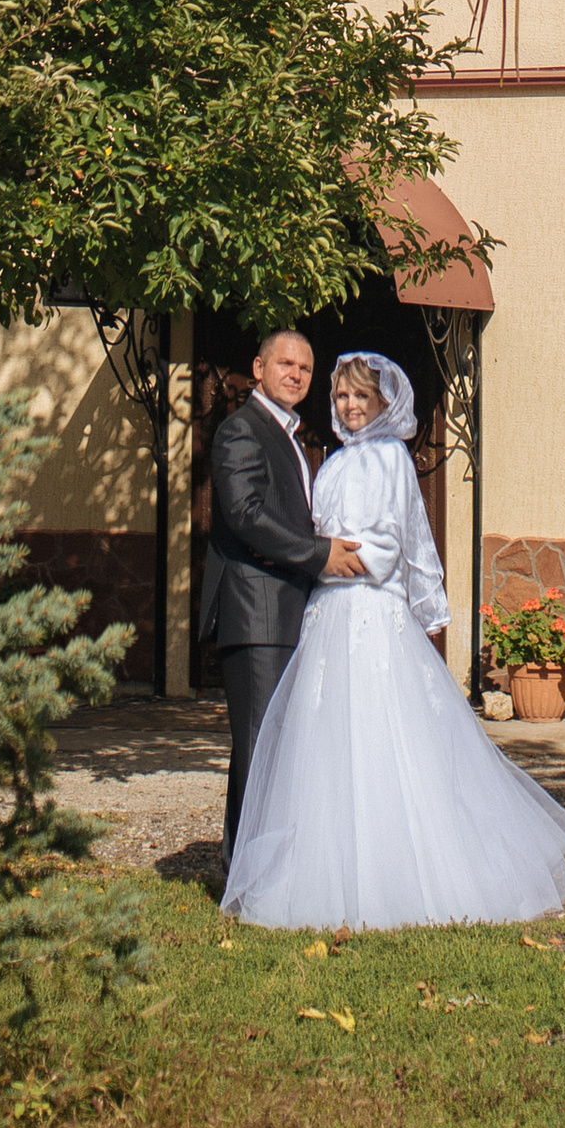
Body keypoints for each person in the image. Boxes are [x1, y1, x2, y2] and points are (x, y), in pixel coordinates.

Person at [223, 347, 565, 931]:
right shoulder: (335, 461)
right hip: (327, 611)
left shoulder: (390, 458)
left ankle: (398, 872)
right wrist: (323, 558)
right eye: (341, 396)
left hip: (364, 609)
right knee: (326, 743)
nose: (349, 406)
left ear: (383, 402)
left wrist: (340, 561)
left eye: (360, 396)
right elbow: (313, 528)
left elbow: (391, 541)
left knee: (379, 735)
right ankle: (322, 868)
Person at [200, 330, 365, 859]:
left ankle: (259, 863)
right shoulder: (240, 430)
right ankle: (243, 872)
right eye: (285, 364)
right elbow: (246, 514)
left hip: (288, 613)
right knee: (258, 745)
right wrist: (321, 554)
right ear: (258, 368)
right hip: (256, 614)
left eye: (305, 369)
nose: (295, 374)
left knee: (274, 747)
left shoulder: (290, 437)